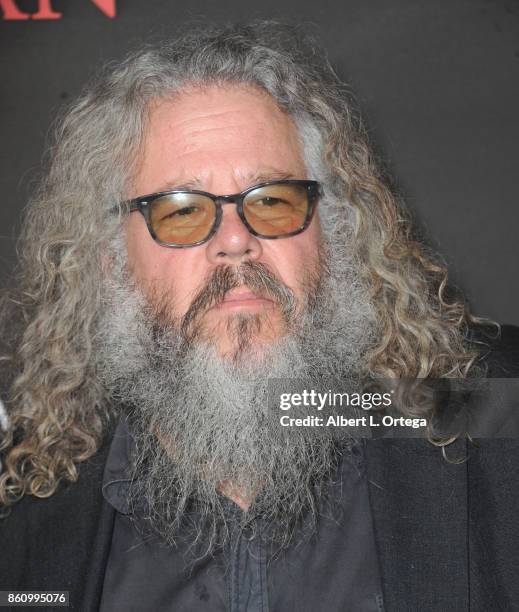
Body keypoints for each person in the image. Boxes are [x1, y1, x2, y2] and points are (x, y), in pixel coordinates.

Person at [0, 21, 518, 612]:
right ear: (110, 261)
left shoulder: (498, 428)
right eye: (181, 210)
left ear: (335, 232)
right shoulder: (21, 512)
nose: (235, 241)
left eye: (271, 199)